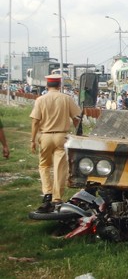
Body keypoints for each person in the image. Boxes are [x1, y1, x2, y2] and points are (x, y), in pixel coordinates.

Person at [30, 74, 82, 213]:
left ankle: (47, 193)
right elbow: (77, 118)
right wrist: (78, 134)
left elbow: (35, 121)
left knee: (44, 165)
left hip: (45, 136)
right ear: (59, 86)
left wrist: (32, 140)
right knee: (60, 168)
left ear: (47, 86)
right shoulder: (66, 98)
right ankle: (57, 198)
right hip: (62, 136)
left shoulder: (40, 99)